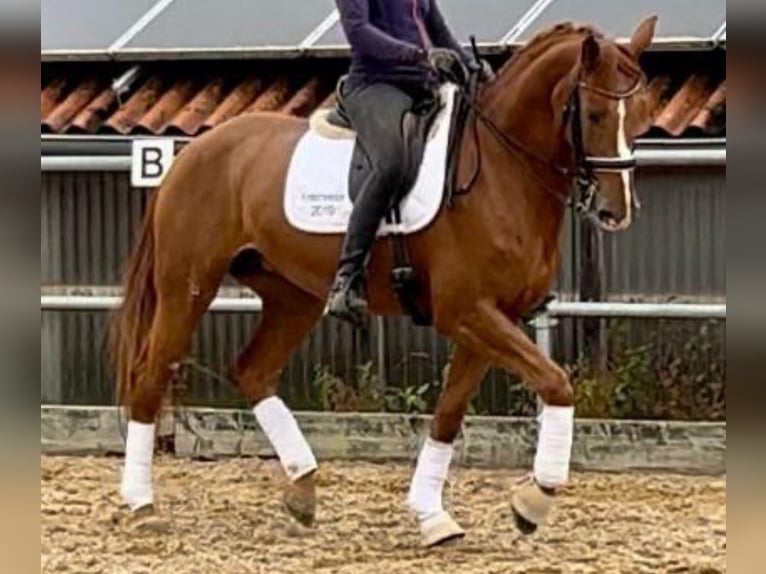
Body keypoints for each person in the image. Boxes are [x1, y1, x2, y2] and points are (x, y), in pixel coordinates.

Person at [327, 0, 493, 325]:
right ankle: (347, 277)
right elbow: (359, 33)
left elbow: (441, 34)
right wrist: (420, 56)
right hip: (375, 86)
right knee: (390, 160)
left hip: (423, 88)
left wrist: (473, 66)